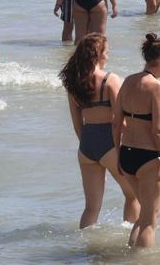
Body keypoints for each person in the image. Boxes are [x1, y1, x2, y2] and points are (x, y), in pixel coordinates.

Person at [60, 35, 140, 229]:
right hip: (110, 144)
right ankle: (130, 238)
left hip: (86, 146)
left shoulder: (73, 83)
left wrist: (89, 145)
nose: (108, 57)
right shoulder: (109, 80)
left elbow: (77, 125)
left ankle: (85, 245)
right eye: (106, 52)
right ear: (98, 55)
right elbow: (122, 121)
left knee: (91, 208)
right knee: (133, 196)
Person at [112, 33, 160, 248]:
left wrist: (118, 156)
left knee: (142, 217)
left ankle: (131, 257)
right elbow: (158, 131)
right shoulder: (157, 87)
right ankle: (141, 262)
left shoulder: (128, 81)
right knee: (150, 222)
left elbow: (116, 123)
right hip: (148, 158)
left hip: (127, 155)